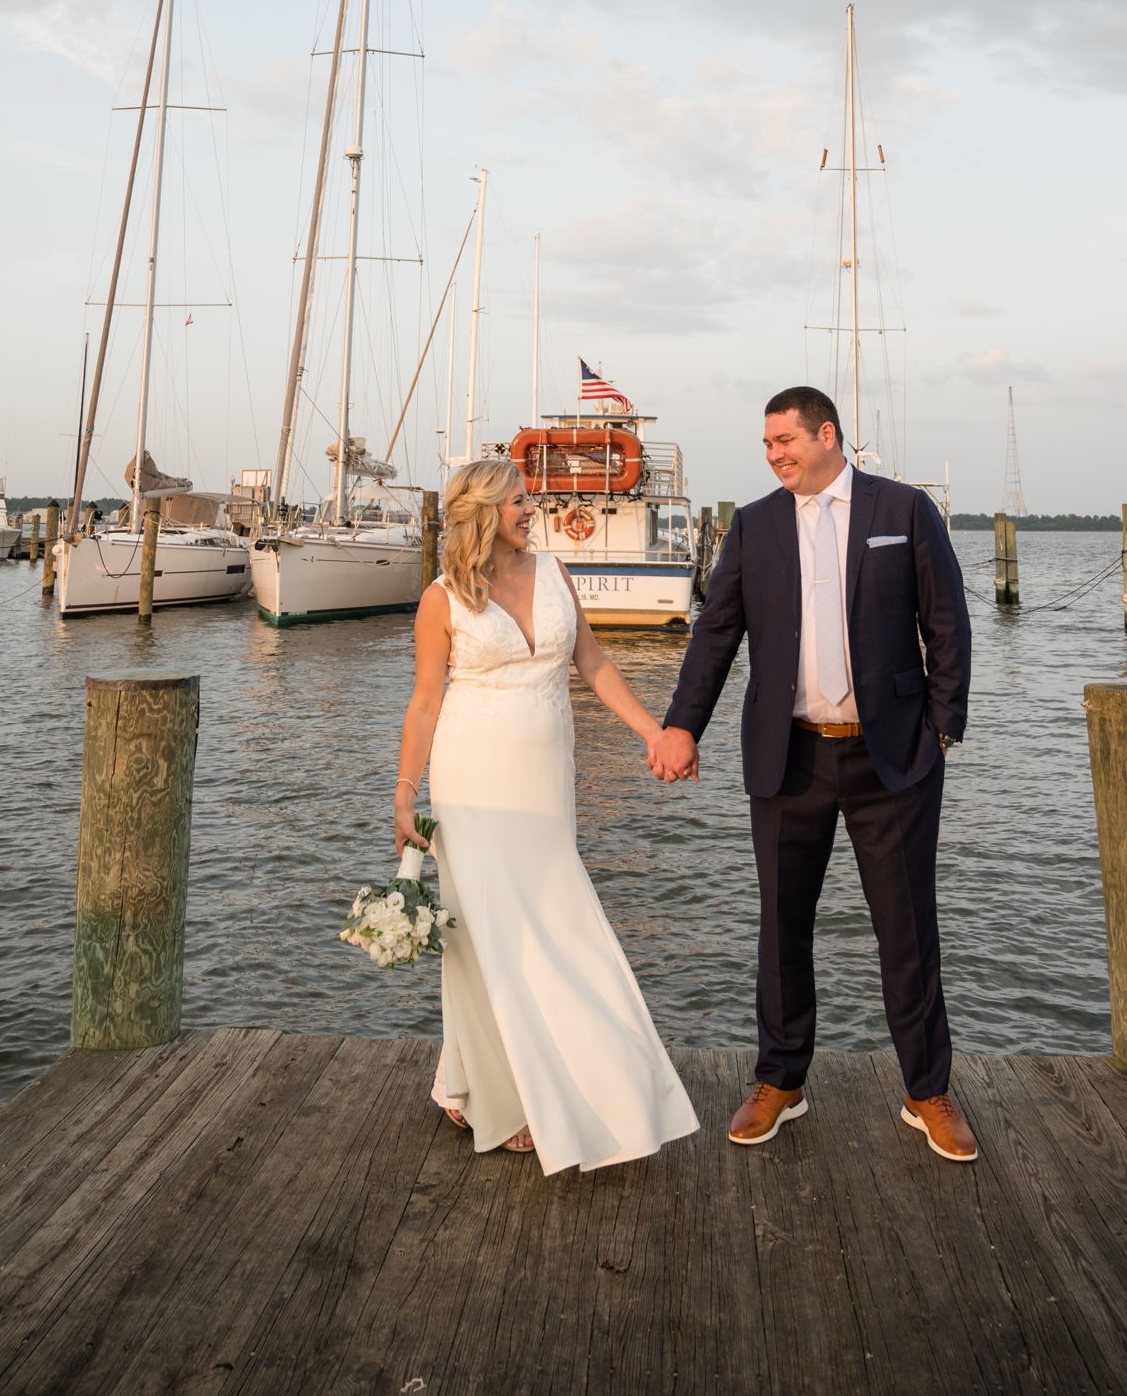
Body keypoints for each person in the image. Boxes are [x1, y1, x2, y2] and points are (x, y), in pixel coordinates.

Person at [648, 387, 977, 1161]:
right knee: (781, 928)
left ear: (828, 435)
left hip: (891, 759)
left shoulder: (903, 511)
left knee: (907, 932)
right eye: (767, 445)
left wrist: (943, 732)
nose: (774, 455)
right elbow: (717, 629)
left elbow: (948, 624)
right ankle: (781, 1082)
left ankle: (927, 1091)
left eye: (785, 440)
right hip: (787, 755)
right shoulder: (757, 525)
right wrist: (680, 725)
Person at [394, 456, 699, 1172]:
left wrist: (652, 733)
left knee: (551, 920)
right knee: (493, 937)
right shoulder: (442, 600)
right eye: (519, 502)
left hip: (544, 783)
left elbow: (593, 664)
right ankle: (505, 1097)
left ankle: (462, 1081)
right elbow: (426, 701)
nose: (533, 511)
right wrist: (406, 792)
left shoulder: (556, 573)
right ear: (481, 513)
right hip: (474, 786)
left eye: (530, 500)